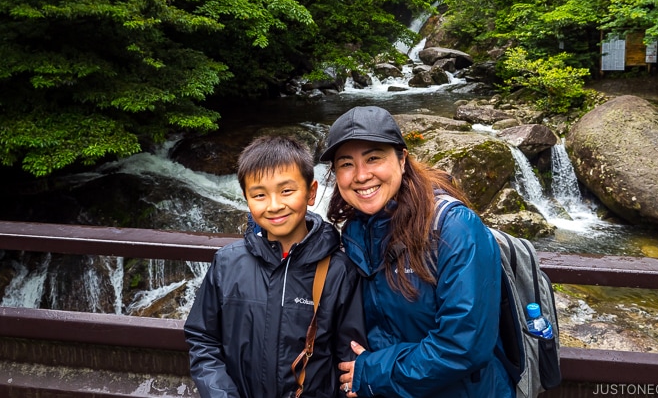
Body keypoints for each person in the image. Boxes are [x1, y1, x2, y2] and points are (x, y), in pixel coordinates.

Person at [322, 106, 514, 398]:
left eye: (374, 158)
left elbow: (464, 345)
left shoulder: (454, 228)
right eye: (346, 164)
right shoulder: (355, 231)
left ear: (402, 159)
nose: (361, 175)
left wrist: (373, 372)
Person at [184, 135, 366, 398]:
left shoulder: (339, 271)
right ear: (246, 199)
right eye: (259, 194)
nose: (274, 205)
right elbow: (203, 338)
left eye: (286, 191)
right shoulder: (227, 263)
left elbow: (348, 357)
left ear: (311, 192)